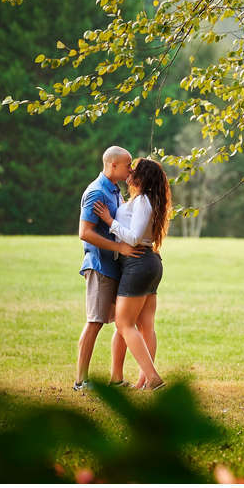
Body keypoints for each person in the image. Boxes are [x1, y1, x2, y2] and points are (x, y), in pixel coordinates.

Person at [93, 157, 171, 391]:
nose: (130, 173)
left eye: (134, 170)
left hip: (137, 263)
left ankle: (152, 377)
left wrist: (109, 221)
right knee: (146, 326)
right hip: (148, 262)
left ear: (142, 177)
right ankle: (143, 381)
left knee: (124, 324)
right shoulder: (145, 200)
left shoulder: (143, 201)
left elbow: (135, 237)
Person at [74, 146, 143, 391]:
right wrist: (121, 248)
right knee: (94, 321)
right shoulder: (96, 192)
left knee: (122, 322)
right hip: (99, 266)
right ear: (113, 165)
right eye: (127, 164)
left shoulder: (114, 191)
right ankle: (81, 381)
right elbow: (85, 233)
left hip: (114, 267)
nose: (131, 169)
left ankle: (116, 378)